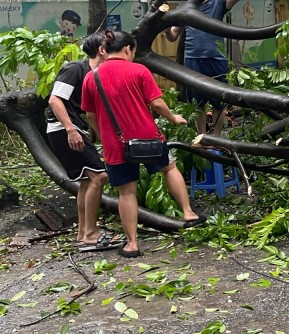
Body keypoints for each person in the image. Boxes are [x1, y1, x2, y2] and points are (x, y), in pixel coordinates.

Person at [81, 30, 204, 258]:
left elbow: (90, 115)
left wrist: (103, 134)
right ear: (128, 49)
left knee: (126, 193)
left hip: (116, 144)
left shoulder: (92, 77)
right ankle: (188, 213)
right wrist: (174, 118)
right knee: (169, 168)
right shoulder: (139, 70)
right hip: (148, 136)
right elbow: (156, 104)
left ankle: (132, 244)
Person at [46, 33, 119, 251]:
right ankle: (91, 233)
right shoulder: (75, 69)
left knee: (88, 181)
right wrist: (70, 129)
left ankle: (82, 233)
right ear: (101, 50)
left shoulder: (97, 74)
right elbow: (54, 100)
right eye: (111, 47)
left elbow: (91, 111)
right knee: (100, 176)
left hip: (75, 129)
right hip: (63, 129)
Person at [166, 0, 241, 137]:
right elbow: (172, 36)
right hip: (193, 59)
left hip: (216, 57)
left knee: (219, 102)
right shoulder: (183, 9)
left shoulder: (217, 2)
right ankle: (201, 137)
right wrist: (163, 24)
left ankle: (217, 137)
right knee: (197, 103)